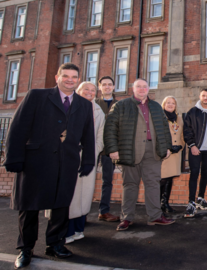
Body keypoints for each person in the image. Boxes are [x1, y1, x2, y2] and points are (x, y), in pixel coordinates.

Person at [4, 63, 95, 269]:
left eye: (74, 76)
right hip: (35, 162)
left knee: (61, 206)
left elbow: (88, 136)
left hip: (67, 162)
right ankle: (25, 248)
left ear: (78, 79)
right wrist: (13, 158)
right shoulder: (36, 96)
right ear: (57, 77)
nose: (70, 80)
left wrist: (88, 160)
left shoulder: (84, 104)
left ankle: (55, 244)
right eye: (65, 76)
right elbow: (18, 128)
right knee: (29, 208)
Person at [103, 78, 175, 231]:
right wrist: (113, 149)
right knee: (130, 185)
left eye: (145, 87)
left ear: (149, 89)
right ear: (133, 89)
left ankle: (155, 216)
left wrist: (167, 146)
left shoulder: (156, 106)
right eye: (139, 87)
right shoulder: (121, 106)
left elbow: (164, 128)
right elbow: (110, 129)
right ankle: (126, 218)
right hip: (130, 150)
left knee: (153, 184)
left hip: (152, 151)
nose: (142, 89)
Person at [66, 82, 105, 244]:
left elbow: (100, 137)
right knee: (69, 194)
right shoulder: (69, 106)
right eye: (86, 89)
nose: (90, 92)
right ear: (79, 91)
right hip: (68, 156)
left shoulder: (98, 111)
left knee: (85, 194)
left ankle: (78, 229)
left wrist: (92, 153)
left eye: (93, 90)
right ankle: (66, 231)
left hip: (88, 157)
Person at [183, 89, 207, 218]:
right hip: (196, 149)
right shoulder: (192, 112)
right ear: (200, 96)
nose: (205, 98)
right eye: (203, 95)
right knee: (194, 173)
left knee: (205, 173)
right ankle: (191, 203)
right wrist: (192, 145)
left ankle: (200, 198)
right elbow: (187, 130)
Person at [95, 76, 120, 222]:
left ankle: (104, 211)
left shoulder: (119, 104)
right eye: (104, 85)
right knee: (86, 179)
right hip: (92, 147)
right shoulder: (94, 103)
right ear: (100, 87)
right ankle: (80, 212)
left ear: (113, 87)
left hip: (109, 149)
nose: (107, 87)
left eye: (109, 84)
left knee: (107, 180)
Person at [160, 96, 185, 214]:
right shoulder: (160, 117)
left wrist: (180, 146)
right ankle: (159, 204)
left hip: (175, 154)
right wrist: (166, 148)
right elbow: (157, 136)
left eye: (173, 103)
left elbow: (182, 136)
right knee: (162, 179)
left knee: (170, 179)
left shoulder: (179, 119)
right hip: (165, 154)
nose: (170, 105)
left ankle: (166, 203)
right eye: (168, 103)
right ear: (164, 104)